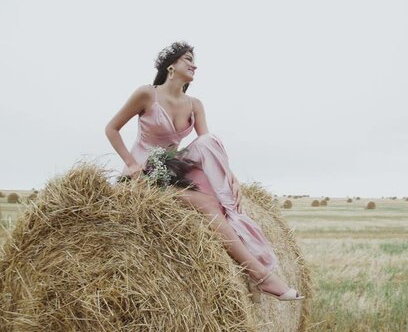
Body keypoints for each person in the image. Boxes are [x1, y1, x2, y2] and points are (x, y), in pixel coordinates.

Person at [105, 41, 304, 302]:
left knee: (210, 144)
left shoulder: (195, 104)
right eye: (188, 59)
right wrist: (131, 164)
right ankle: (261, 277)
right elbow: (112, 128)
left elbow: (207, 146)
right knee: (207, 202)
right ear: (171, 66)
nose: (194, 64)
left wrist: (229, 176)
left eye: (194, 60)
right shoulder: (146, 94)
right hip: (143, 178)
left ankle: (236, 220)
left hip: (172, 172)